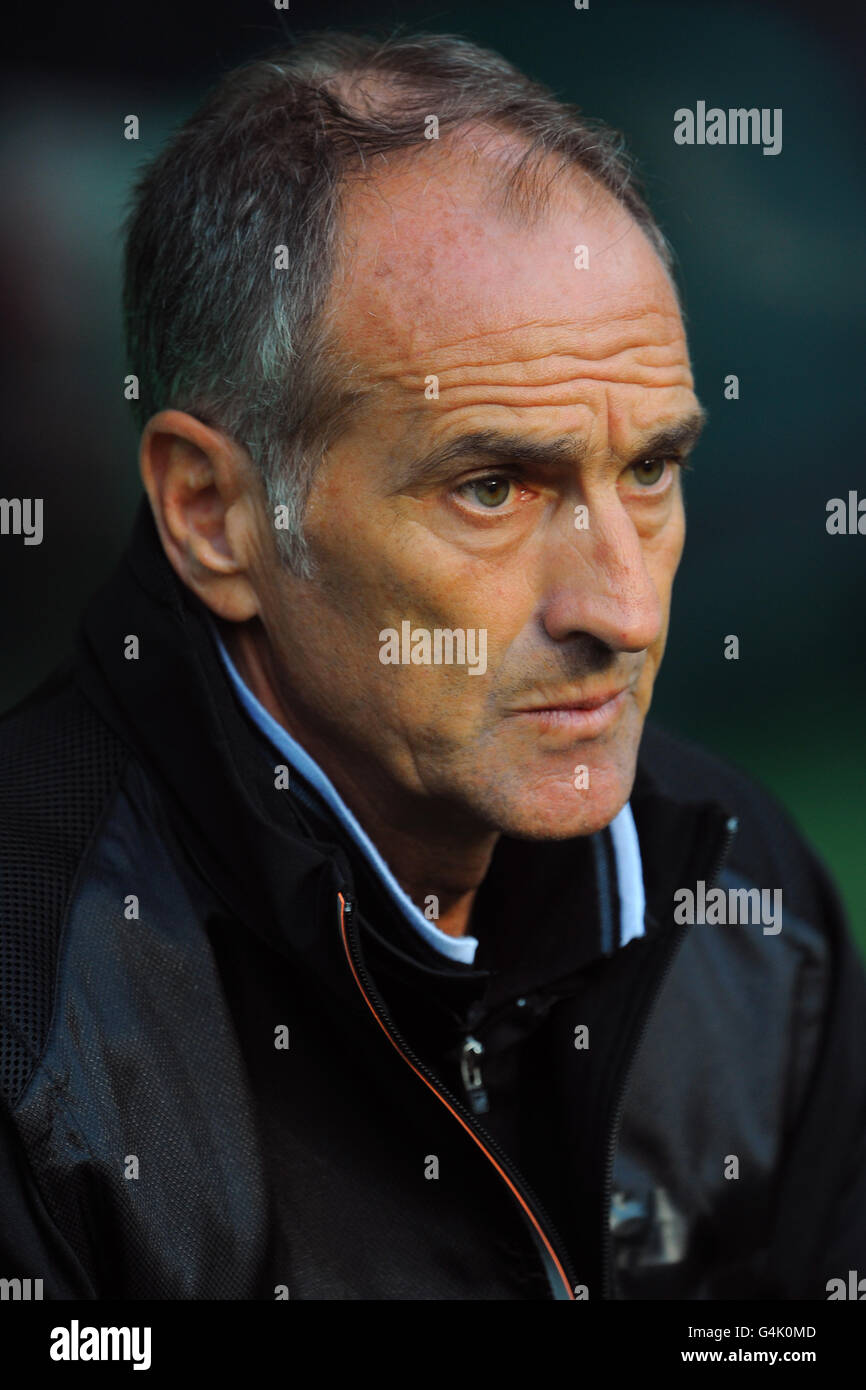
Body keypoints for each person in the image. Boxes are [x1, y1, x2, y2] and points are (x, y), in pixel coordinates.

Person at [1, 31, 864, 1301]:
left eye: (649, 470)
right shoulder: (35, 1019)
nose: (620, 609)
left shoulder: (746, 909)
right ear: (212, 515)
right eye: (492, 487)